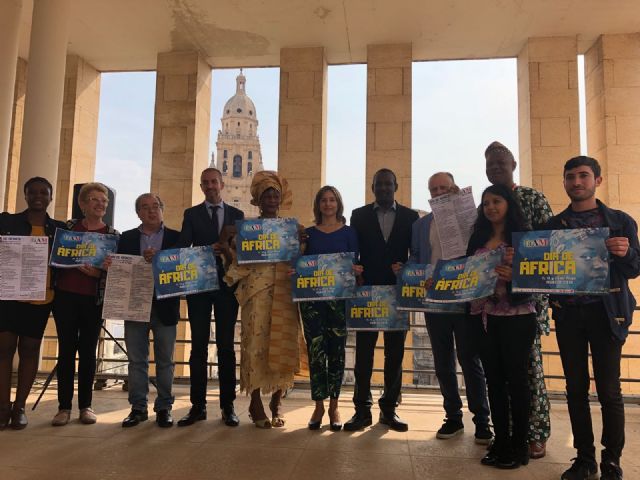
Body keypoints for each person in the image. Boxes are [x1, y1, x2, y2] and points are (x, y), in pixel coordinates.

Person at [545, 156, 639, 480]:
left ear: (597, 180)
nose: (576, 182)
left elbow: (634, 269)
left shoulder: (621, 222)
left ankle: (611, 460)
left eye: (583, 176)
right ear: (565, 182)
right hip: (568, 316)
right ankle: (584, 459)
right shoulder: (552, 228)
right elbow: (542, 274)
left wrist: (625, 253)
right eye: (570, 177)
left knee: (610, 391)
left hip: (607, 314)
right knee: (574, 388)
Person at [406, 172, 492, 443]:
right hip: (435, 300)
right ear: (429, 193)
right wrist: (408, 271)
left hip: (465, 299)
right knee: (442, 361)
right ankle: (453, 417)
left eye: (444, 187)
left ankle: (482, 421)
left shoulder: (471, 220)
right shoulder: (421, 226)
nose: (439, 192)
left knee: (470, 360)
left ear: (453, 188)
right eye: (434, 189)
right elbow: (417, 258)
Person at [485, 140, 552, 458]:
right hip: (493, 309)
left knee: (528, 370)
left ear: (513, 165)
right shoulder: (485, 205)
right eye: (490, 164)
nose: (495, 168)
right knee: (499, 374)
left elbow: (549, 246)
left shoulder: (532, 198)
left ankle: (534, 434)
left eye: (501, 162)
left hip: (527, 303)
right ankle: (506, 434)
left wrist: (522, 274)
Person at [222, 170, 302, 428]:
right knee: (254, 343)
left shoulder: (292, 229)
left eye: (275, 194)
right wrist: (226, 247)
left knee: (283, 341)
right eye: (266, 194)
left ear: (281, 198)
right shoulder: (247, 230)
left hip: (283, 290)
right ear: (258, 198)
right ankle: (255, 401)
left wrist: (304, 244)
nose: (271, 198)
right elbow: (235, 258)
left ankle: (278, 401)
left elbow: (300, 260)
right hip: (256, 292)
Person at [467, 184, 536, 469]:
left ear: (508, 203)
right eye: (486, 203)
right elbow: (466, 276)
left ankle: (520, 446)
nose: (491, 207)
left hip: (519, 318)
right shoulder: (478, 239)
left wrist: (515, 275)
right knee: (493, 382)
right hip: (486, 319)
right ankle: (502, 442)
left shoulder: (525, 240)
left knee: (517, 383)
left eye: (496, 201)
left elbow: (538, 277)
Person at [344, 168, 419, 432]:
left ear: (396, 185)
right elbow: (353, 253)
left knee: (395, 355)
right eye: (379, 184)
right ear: (372, 187)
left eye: (389, 184)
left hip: (398, 295)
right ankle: (361, 411)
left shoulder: (411, 217)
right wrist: (355, 271)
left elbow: (417, 254)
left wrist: (408, 268)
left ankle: (389, 410)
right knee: (363, 354)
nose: (384, 188)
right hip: (367, 294)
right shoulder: (359, 215)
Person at [175, 167, 244, 427]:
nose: (210, 186)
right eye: (205, 183)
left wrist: (226, 249)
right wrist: (206, 250)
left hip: (227, 287)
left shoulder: (237, 215)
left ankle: (228, 406)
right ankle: (198, 406)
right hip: (199, 288)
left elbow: (242, 249)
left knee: (226, 346)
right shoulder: (191, 214)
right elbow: (184, 246)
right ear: (202, 187)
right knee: (198, 347)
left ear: (222, 184)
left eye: (214, 181)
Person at [106, 194, 180, 428]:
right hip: (134, 306)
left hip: (165, 306)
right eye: (145, 208)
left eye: (155, 206)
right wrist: (111, 264)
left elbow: (184, 268)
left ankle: (164, 407)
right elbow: (121, 267)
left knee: (165, 361)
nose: (151, 211)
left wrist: (162, 260)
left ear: (162, 209)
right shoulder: (126, 237)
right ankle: (138, 408)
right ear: (138, 213)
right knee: (137, 360)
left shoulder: (176, 238)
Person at [0, 177, 65, 429]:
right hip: (7, 295)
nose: (38, 196)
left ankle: (19, 409)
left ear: (50, 196)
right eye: (32, 192)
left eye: (44, 192)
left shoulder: (59, 229)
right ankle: (2, 407)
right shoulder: (6, 221)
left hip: (40, 298)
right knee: (4, 350)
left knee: (29, 350)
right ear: (25, 195)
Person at [51, 182, 118, 426]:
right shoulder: (67, 229)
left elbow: (117, 272)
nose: (100, 205)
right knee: (66, 351)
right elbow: (53, 259)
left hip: (94, 299)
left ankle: (86, 406)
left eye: (104, 201)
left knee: (88, 353)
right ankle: (63, 407)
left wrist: (99, 274)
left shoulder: (112, 235)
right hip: (65, 297)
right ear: (82, 204)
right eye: (94, 200)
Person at [300, 186, 362, 431]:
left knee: (336, 351)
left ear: (338, 204)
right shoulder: (308, 233)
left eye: (332, 200)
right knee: (316, 352)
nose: (328, 204)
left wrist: (357, 270)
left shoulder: (349, 232)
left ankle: (335, 405)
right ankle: (318, 405)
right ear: (318, 205)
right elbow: (300, 262)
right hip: (312, 302)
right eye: (323, 200)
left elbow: (355, 263)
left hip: (338, 301)